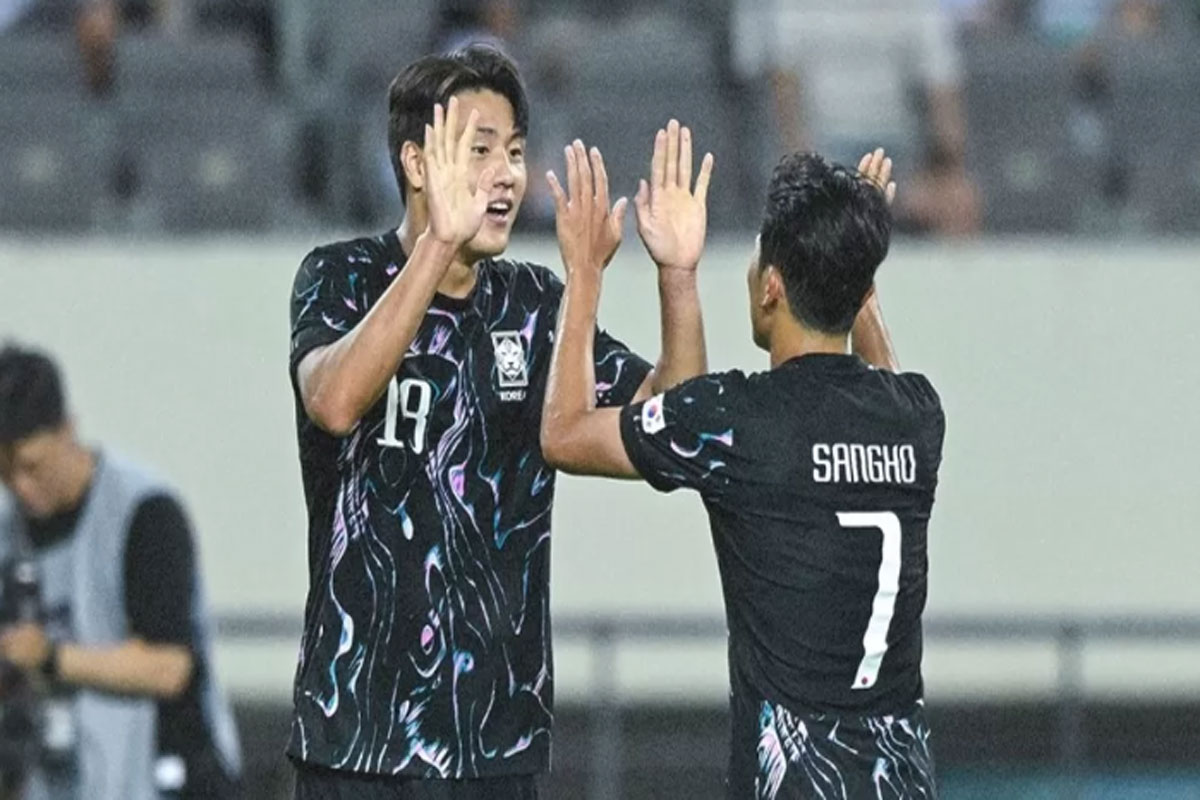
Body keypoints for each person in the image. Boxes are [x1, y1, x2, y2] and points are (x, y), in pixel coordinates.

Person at [286, 44, 710, 797]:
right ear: (417, 164)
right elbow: (335, 401)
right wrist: (438, 244)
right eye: (479, 151)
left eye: (514, 151)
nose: (508, 174)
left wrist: (677, 277)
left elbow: (672, 427)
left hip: (496, 744)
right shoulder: (341, 275)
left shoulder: (534, 304)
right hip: (357, 736)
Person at [539, 147, 946, 798]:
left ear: (771, 287)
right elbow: (880, 380)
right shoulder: (918, 417)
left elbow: (563, 433)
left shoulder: (740, 420)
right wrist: (854, 260)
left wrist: (595, 273)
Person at [0, 343, 241, 800]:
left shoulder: (143, 511)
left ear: (67, 430)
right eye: (6, 474)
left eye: (32, 466)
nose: (22, 488)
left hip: (166, 775)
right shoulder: (8, 531)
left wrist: (49, 657)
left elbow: (169, 666)